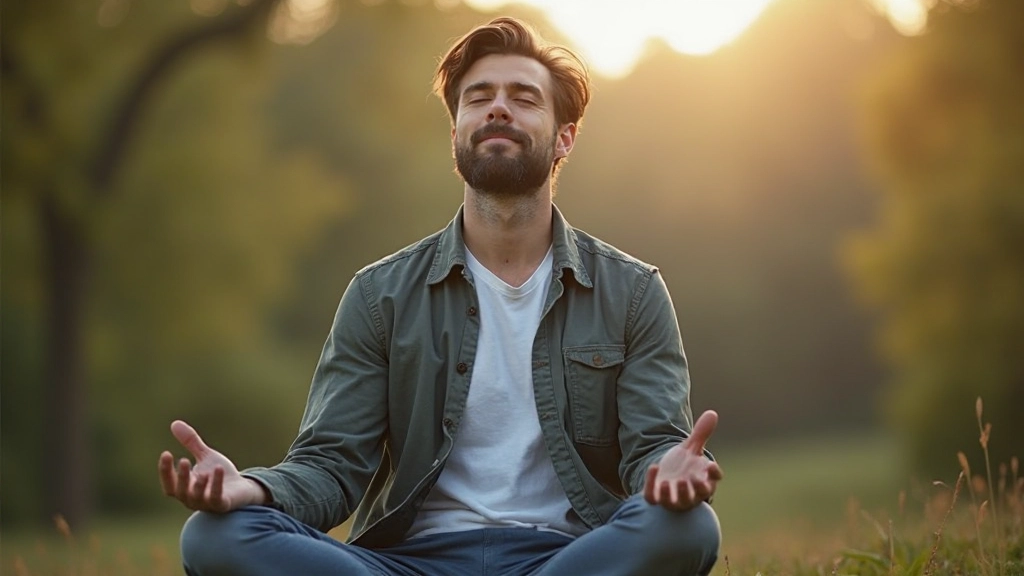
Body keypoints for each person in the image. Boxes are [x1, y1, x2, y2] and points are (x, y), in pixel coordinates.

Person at [159, 16, 723, 576]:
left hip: (565, 559)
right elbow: (330, 467)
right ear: (455, 130)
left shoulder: (632, 292)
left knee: (688, 526)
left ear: (564, 138)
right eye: (479, 98)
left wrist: (671, 474)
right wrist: (252, 487)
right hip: (406, 565)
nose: (498, 108)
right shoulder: (379, 295)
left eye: (524, 98)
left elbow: (657, 450)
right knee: (216, 534)